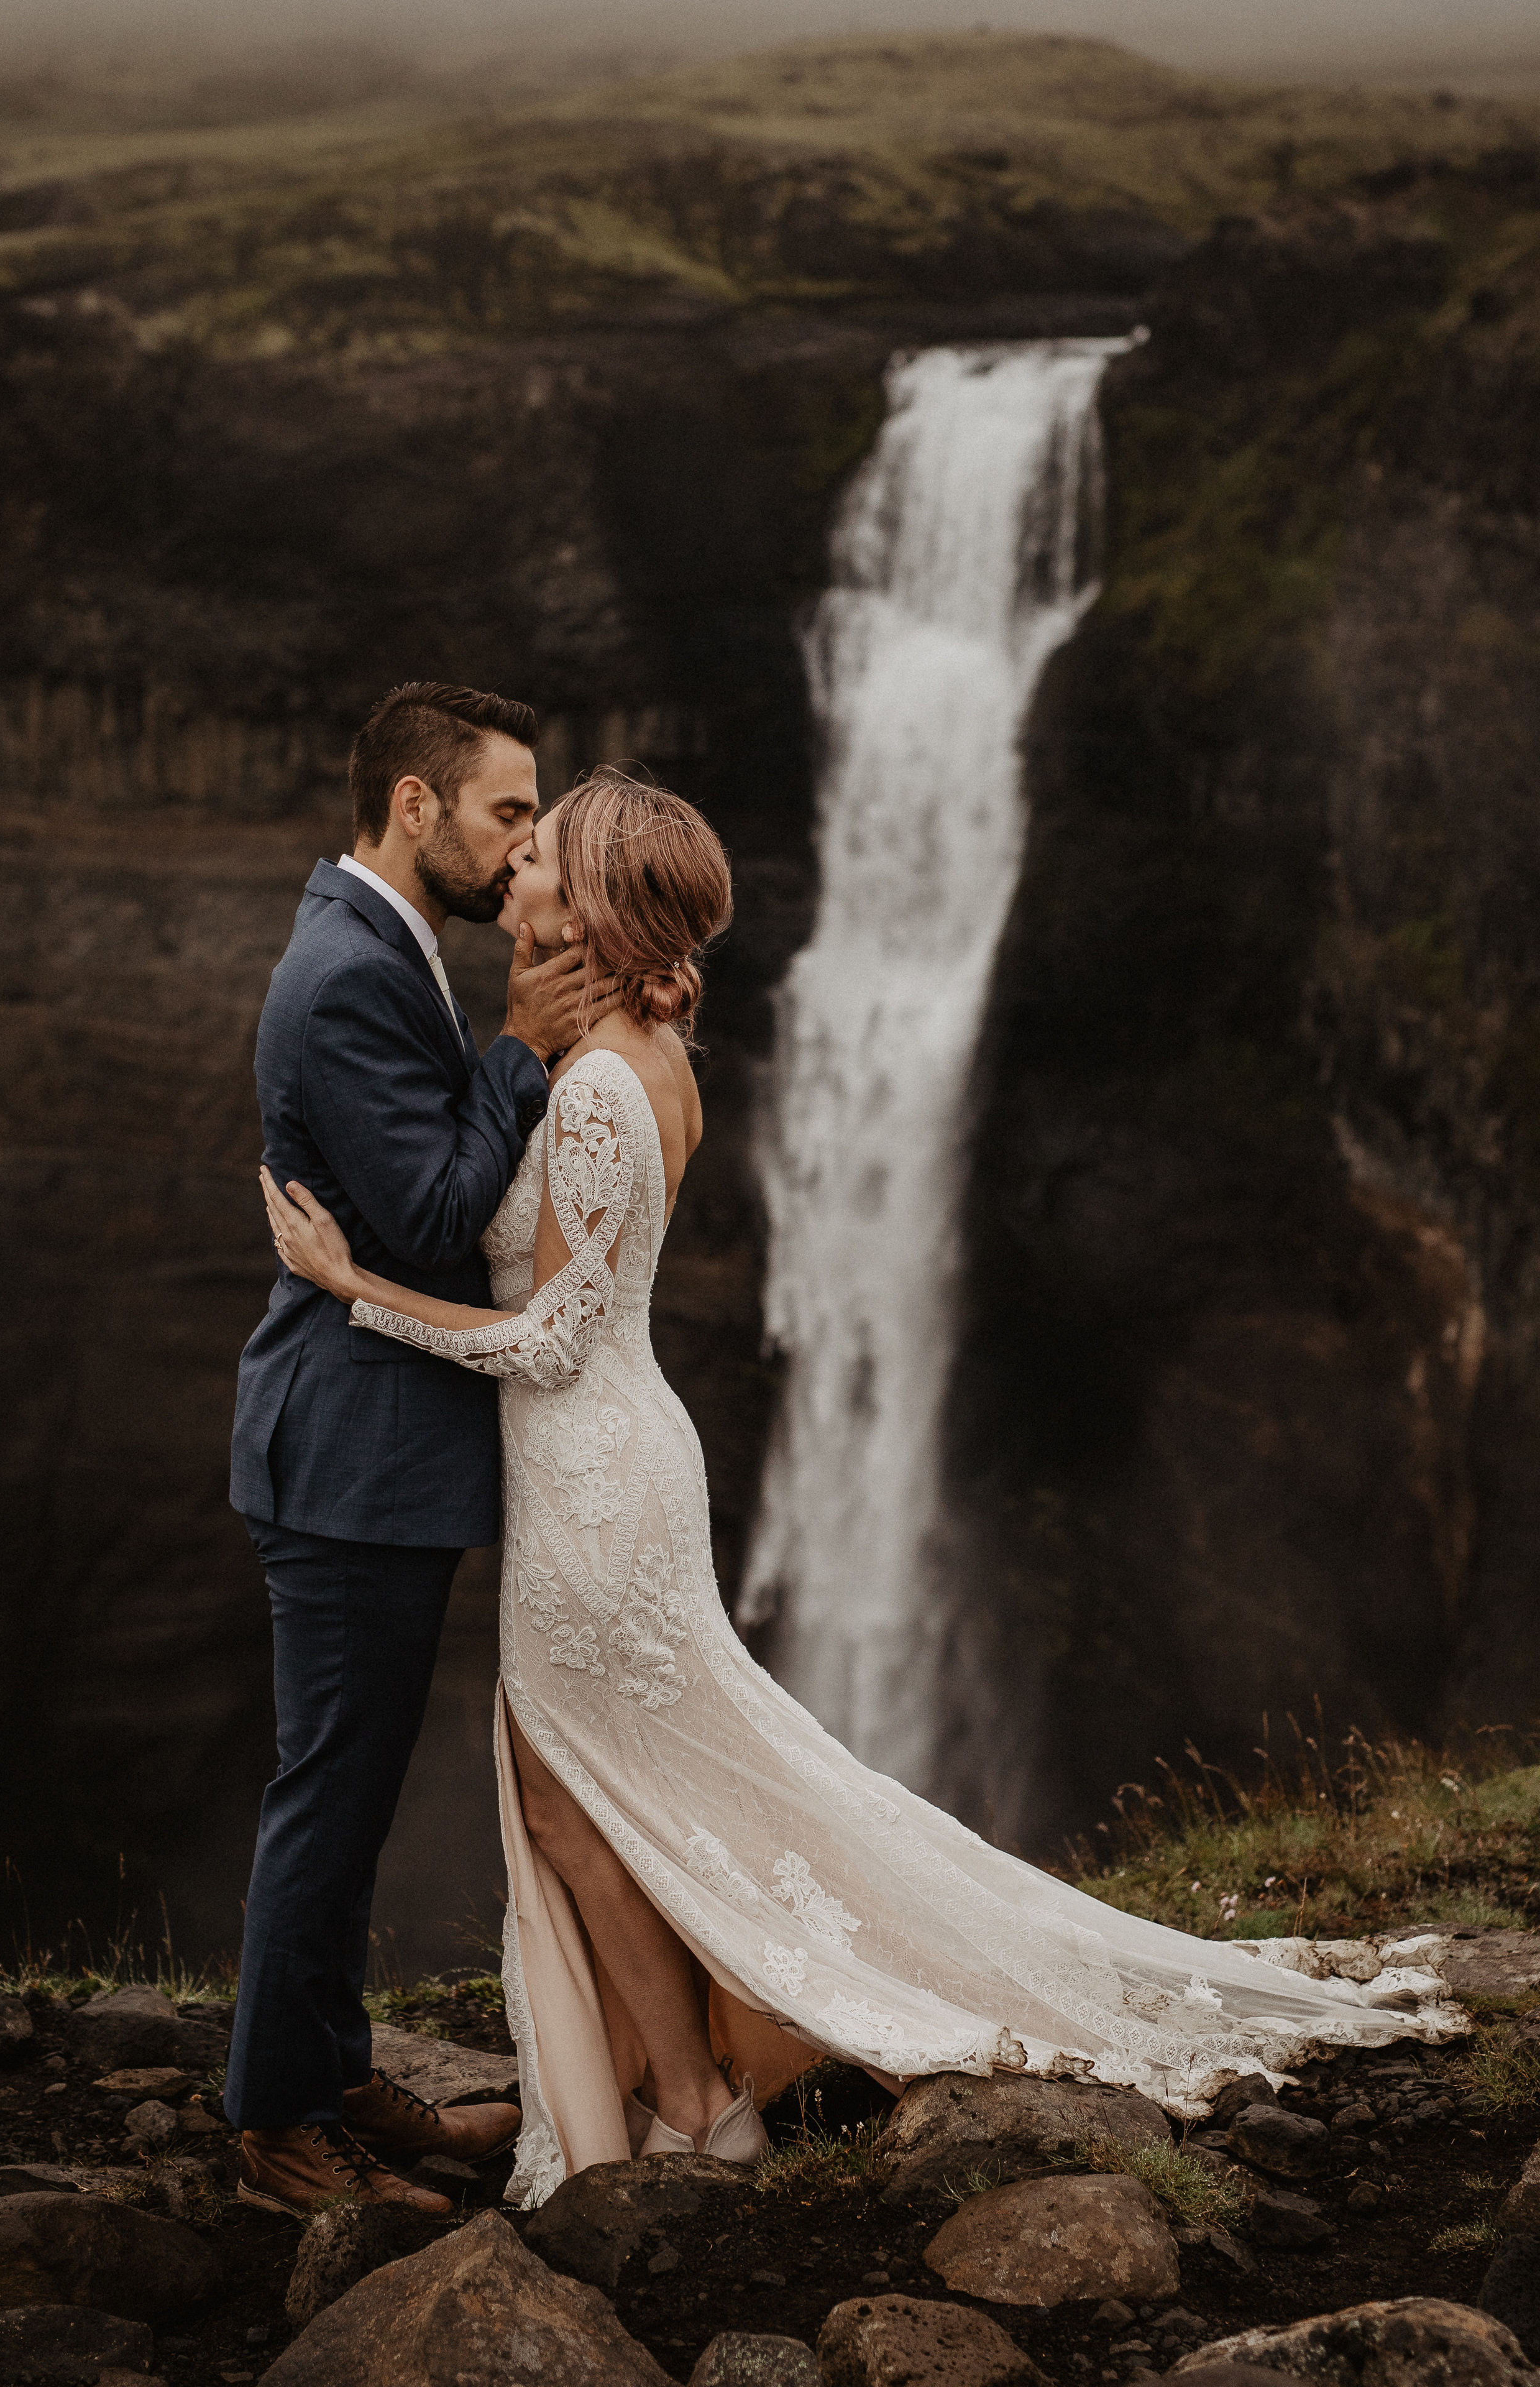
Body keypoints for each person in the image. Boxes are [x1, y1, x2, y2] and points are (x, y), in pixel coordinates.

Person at [263, 764, 1464, 2213]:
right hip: (613, 1454)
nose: (518, 858)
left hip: (587, 1466)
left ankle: (694, 2101)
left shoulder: (592, 1088)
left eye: (544, 846)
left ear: (591, 908)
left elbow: (549, 1332)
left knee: (575, 1802)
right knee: (605, 1791)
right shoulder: (645, 1054)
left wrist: (354, 1288)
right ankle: (681, 2089)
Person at [226, 683, 615, 2220]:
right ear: (413, 803)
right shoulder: (345, 978)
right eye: (510, 810)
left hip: (370, 1447)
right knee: (329, 1784)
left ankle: (331, 2073)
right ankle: (274, 2124)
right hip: (349, 1456)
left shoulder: (382, 947)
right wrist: (521, 1047)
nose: (528, 838)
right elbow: (430, 1216)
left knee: (358, 1774)